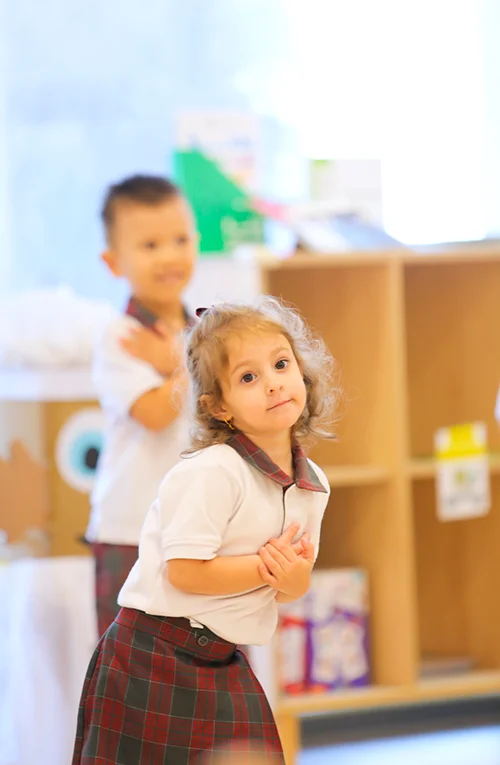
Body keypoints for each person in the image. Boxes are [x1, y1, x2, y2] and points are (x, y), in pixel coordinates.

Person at [73, 297, 336, 764]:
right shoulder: (214, 471)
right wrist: (263, 568)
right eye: (248, 377)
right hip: (151, 652)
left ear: (302, 373)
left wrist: (289, 578)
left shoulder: (312, 484)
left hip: (220, 655)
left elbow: (293, 581)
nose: (273, 384)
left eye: (281, 364)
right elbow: (186, 573)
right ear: (219, 407)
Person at [86, 174, 197, 636]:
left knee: (209, 669)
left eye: (180, 239)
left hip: (196, 526)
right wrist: (189, 364)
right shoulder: (122, 337)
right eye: (150, 245)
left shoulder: (203, 331)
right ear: (114, 262)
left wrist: (178, 357)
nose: (170, 255)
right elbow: (154, 414)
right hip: (130, 530)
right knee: (132, 675)